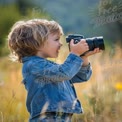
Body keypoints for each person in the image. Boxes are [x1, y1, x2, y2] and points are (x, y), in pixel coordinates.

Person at [8, 19, 101, 122]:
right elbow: (65, 73)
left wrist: (83, 57)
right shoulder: (33, 65)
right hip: (47, 118)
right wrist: (75, 54)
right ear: (38, 42)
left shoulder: (49, 67)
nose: (60, 44)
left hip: (61, 117)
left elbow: (82, 76)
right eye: (56, 39)